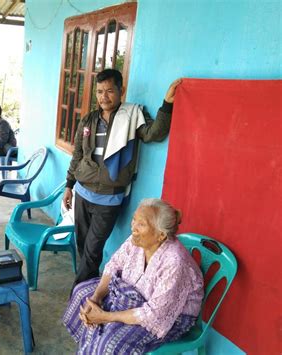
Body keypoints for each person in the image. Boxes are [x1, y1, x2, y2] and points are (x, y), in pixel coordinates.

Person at [62, 69, 182, 287]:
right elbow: (78, 154)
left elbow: (154, 133)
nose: (103, 97)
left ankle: (78, 295)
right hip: (83, 191)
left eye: (109, 91)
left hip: (109, 198)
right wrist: (69, 185)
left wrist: (167, 105)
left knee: (92, 249)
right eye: (99, 92)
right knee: (83, 246)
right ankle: (89, 285)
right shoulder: (89, 120)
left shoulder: (131, 115)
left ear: (121, 91)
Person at [63, 198, 204, 354]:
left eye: (141, 224)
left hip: (169, 317)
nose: (133, 228)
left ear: (161, 235)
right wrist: (96, 298)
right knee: (82, 294)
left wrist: (106, 317)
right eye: (134, 220)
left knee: (109, 341)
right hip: (133, 296)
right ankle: (88, 348)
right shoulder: (136, 240)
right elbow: (113, 265)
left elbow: (154, 315)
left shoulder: (175, 263)